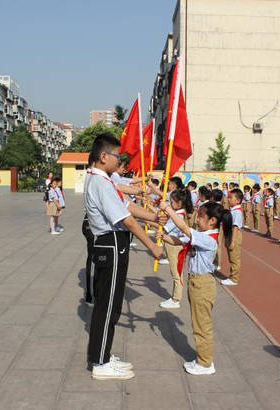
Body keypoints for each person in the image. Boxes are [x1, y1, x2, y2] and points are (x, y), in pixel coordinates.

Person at [85, 133, 164, 381]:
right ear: (104, 156)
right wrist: (152, 246)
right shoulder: (100, 182)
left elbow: (127, 207)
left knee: (111, 303)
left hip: (112, 244)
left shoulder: (103, 180)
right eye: (117, 155)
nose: (120, 160)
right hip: (111, 244)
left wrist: (152, 217)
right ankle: (100, 362)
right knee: (108, 305)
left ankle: (104, 354)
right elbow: (126, 220)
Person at [158, 201, 232, 375]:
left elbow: (184, 229)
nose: (197, 219)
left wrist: (168, 209)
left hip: (202, 285)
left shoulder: (208, 239)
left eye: (201, 216)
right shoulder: (202, 234)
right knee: (198, 323)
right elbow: (179, 240)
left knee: (202, 326)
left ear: (212, 220)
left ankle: (205, 364)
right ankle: (202, 358)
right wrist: (163, 236)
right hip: (196, 283)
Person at [159, 189, 194, 308]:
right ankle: (175, 297)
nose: (169, 204)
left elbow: (164, 227)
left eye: (171, 202)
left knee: (176, 273)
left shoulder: (178, 215)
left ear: (179, 203)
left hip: (176, 246)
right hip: (172, 244)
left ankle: (176, 299)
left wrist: (156, 225)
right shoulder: (177, 213)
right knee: (175, 272)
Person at [221, 188, 243, 286]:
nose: (229, 199)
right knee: (231, 257)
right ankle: (232, 276)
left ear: (238, 200)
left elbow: (236, 227)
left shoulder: (237, 212)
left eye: (231, 198)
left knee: (234, 258)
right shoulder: (232, 210)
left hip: (234, 236)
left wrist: (232, 241)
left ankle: (234, 279)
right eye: (229, 197)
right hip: (230, 234)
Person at [82, 158, 96, 306]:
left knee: (94, 259)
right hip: (92, 224)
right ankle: (90, 294)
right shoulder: (93, 175)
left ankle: (92, 292)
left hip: (91, 223)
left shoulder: (92, 175)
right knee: (93, 259)